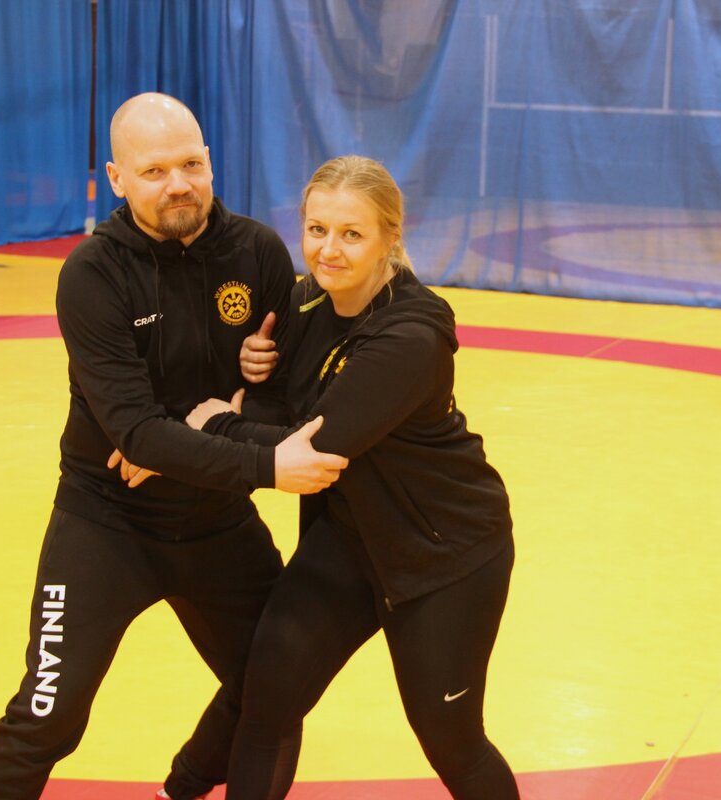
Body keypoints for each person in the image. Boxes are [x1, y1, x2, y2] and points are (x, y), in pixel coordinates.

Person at [0, 93, 347, 800]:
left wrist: (216, 417)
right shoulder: (93, 273)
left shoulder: (257, 251)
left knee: (275, 689)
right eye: (154, 171)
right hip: (107, 519)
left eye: (191, 164)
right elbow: (134, 433)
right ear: (116, 178)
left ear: (210, 162)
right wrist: (259, 460)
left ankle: (186, 787)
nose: (179, 185)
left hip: (216, 519)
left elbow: (282, 394)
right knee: (47, 717)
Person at [186, 155, 520, 798]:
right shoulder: (305, 301)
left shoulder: (411, 335)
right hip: (347, 539)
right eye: (316, 230)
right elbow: (282, 407)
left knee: (451, 740)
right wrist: (255, 376)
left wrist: (216, 425)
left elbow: (319, 447)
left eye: (351, 234)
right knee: (267, 698)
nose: (328, 250)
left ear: (391, 237)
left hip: (442, 555)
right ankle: (185, 785)